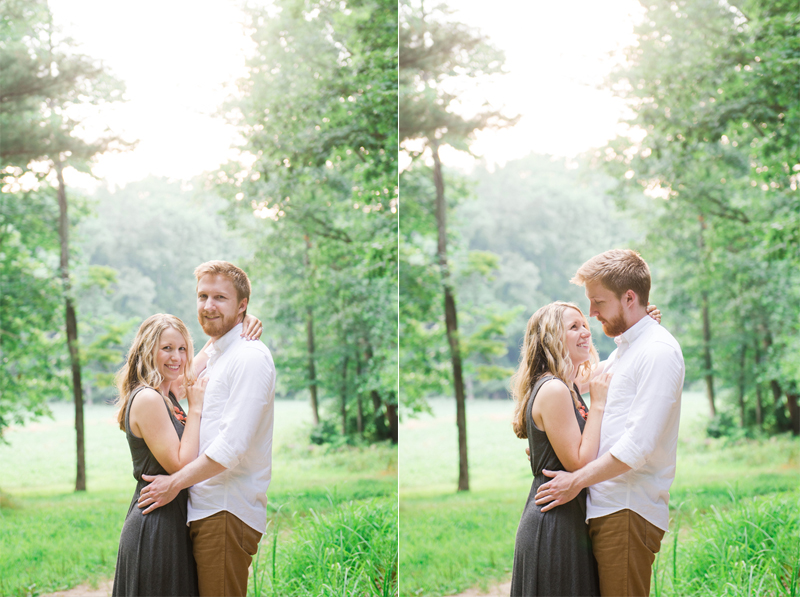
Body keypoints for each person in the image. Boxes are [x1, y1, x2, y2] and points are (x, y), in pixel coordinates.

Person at [534, 249, 685, 597]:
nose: (592, 313)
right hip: (606, 508)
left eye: (598, 301)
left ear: (629, 297)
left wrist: (574, 482)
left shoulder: (658, 351)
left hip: (627, 509)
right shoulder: (629, 350)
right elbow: (573, 384)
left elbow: (638, 447)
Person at [136, 260, 276, 597]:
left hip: (225, 510)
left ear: (242, 305)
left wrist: (173, 484)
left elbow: (232, 447)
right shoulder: (218, 355)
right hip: (202, 508)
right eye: (202, 296)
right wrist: (231, 327)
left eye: (220, 298)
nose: (208, 306)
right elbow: (177, 385)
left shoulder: (249, 358)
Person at [111, 312, 263, 597]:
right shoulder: (148, 399)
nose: (177, 357)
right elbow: (180, 464)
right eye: (166, 348)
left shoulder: (167, 394)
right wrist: (195, 408)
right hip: (155, 524)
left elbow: (207, 351)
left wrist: (241, 320)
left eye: (182, 349)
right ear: (148, 350)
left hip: (172, 517)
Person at [509, 301, 607, 597]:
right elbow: (578, 462)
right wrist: (599, 404)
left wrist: (643, 324)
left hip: (567, 517)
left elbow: (618, 370)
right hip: (554, 524)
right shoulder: (553, 389)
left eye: (585, 325)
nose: (585, 333)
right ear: (551, 338)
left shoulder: (568, 384)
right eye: (573, 327)